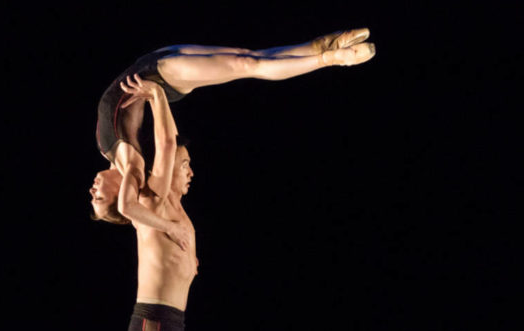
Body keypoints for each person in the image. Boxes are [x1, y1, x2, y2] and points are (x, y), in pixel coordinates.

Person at [90, 28, 376, 247]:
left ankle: (326, 44)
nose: (93, 191)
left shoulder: (110, 153)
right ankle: (332, 59)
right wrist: (169, 227)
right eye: (100, 198)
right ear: (121, 192)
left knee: (248, 56)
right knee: (247, 65)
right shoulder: (132, 168)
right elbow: (130, 208)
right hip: (160, 75)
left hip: (150, 63)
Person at [121, 76, 200, 331]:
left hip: (170, 327)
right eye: (185, 165)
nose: (190, 172)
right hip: (156, 323)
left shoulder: (181, 213)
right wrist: (156, 96)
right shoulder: (158, 197)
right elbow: (166, 143)